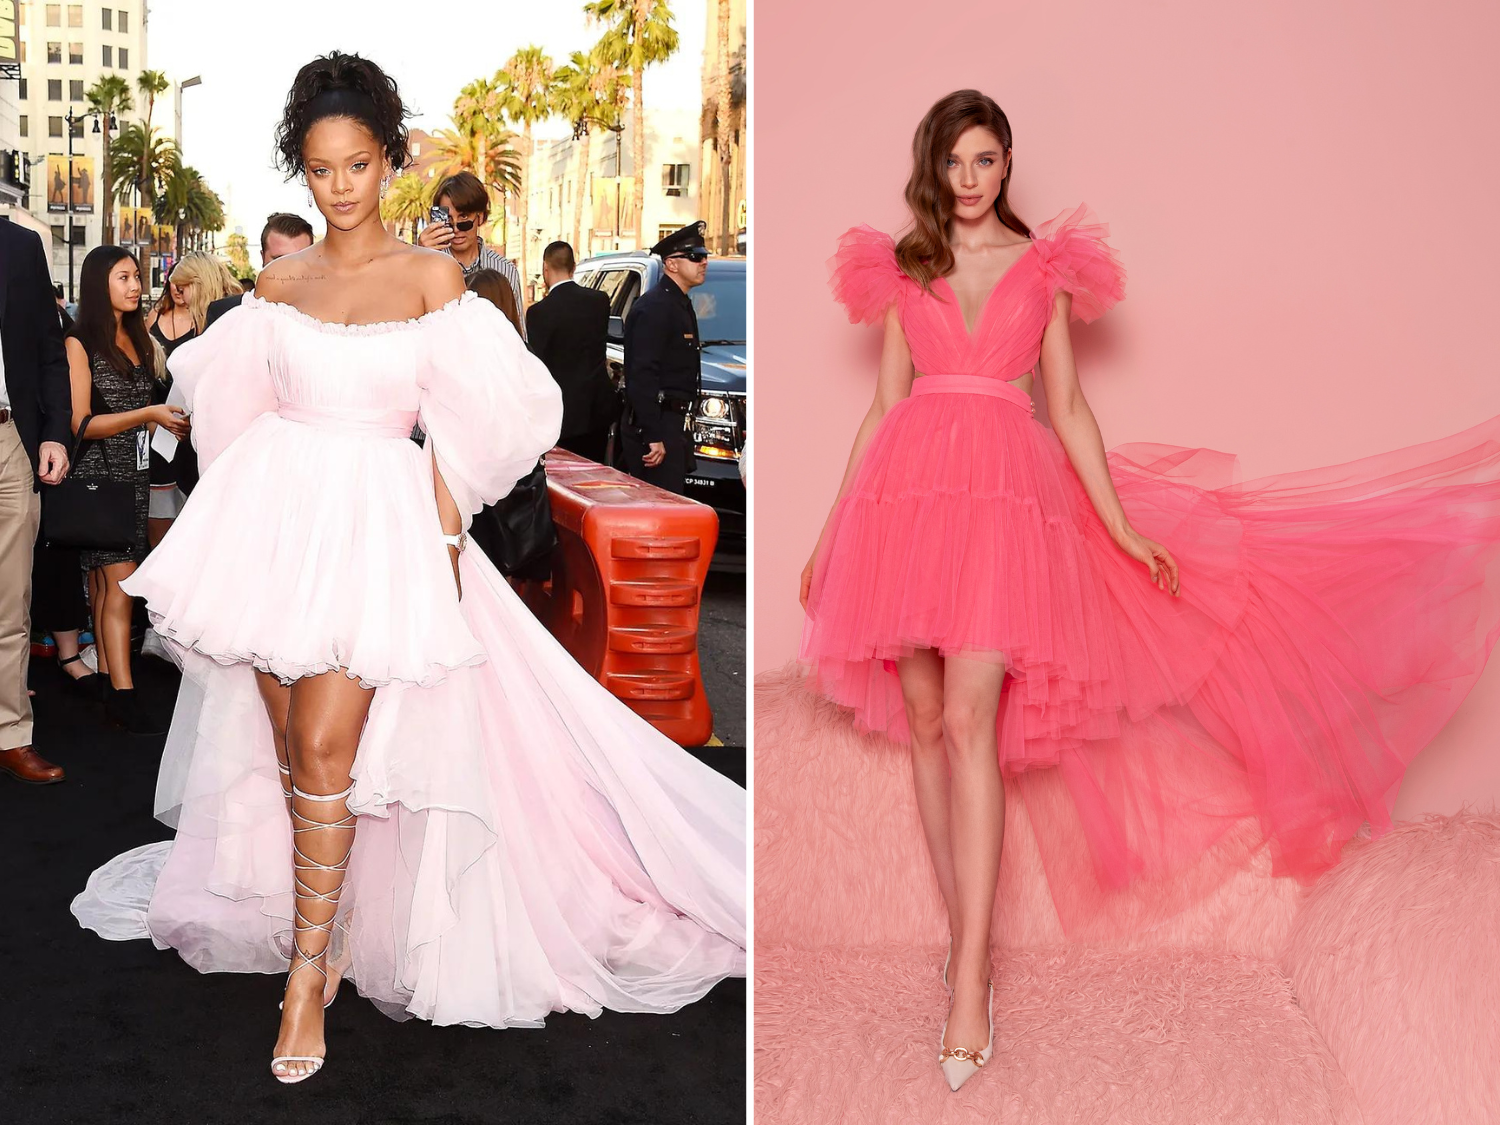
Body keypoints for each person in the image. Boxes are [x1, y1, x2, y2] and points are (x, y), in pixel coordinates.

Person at [795, 89, 1500, 1092]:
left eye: (985, 160)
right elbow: (880, 410)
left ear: (1006, 166)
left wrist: (1121, 527)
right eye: (953, 160)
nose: (967, 179)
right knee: (921, 714)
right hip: (907, 501)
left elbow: (1070, 408)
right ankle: (963, 931)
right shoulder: (903, 267)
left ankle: (971, 978)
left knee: (968, 718)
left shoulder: (1045, 271)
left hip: (1004, 505)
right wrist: (832, 533)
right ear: (933, 165)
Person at [71, 52, 745, 1087]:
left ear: (389, 162)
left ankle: (308, 972)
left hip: (376, 532)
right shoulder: (279, 285)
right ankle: (324, 927)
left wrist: (442, 515)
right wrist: (237, 516)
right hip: (276, 530)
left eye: (356, 164)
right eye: (318, 168)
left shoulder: (436, 280)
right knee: (292, 746)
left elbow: (501, 414)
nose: (338, 186)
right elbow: (228, 406)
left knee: (332, 748)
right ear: (302, 170)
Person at [65, 247, 188, 735]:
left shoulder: (136, 336)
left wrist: (165, 423)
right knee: (118, 586)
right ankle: (123, 692)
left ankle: (105, 685)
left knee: (104, 586)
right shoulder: (80, 342)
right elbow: (79, 423)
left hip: (133, 476)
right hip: (99, 479)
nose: (136, 285)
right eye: (124, 277)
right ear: (100, 284)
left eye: (137, 276)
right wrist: (148, 415)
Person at [0, 220, 74, 785]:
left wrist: (54, 433)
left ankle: (10, 732)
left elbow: (50, 354)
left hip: (10, 442)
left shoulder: (20, 247)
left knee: (10, 603)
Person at [620, 222, 709, 494]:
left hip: (674, 424)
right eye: (695, 256)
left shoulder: (678, 303)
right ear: (671, 264)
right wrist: (653, 435)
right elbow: (642, 374)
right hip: (656, 424)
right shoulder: (655, 308)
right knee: (657, 511)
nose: (704, 261)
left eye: (705, 255)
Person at [525, 241, 615, 463]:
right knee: (595, 476)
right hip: (596, 410)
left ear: (545, 269)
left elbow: (538, 365)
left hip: (560, 414)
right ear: (573, 267)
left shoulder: (539, 313)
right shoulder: (599, 301)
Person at [416, 170, 525, 334]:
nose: (456, 229)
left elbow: (519, 334)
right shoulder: (428, 264)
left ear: (480, 217)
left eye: (464, 219)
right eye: (449, 221)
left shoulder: (505, 270)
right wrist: (420, 258)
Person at [205, 213, 315, 330]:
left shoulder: (329, 316)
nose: (288, 270)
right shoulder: (223, 312)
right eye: (278, 260)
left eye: (298, 259)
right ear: (263, 258)